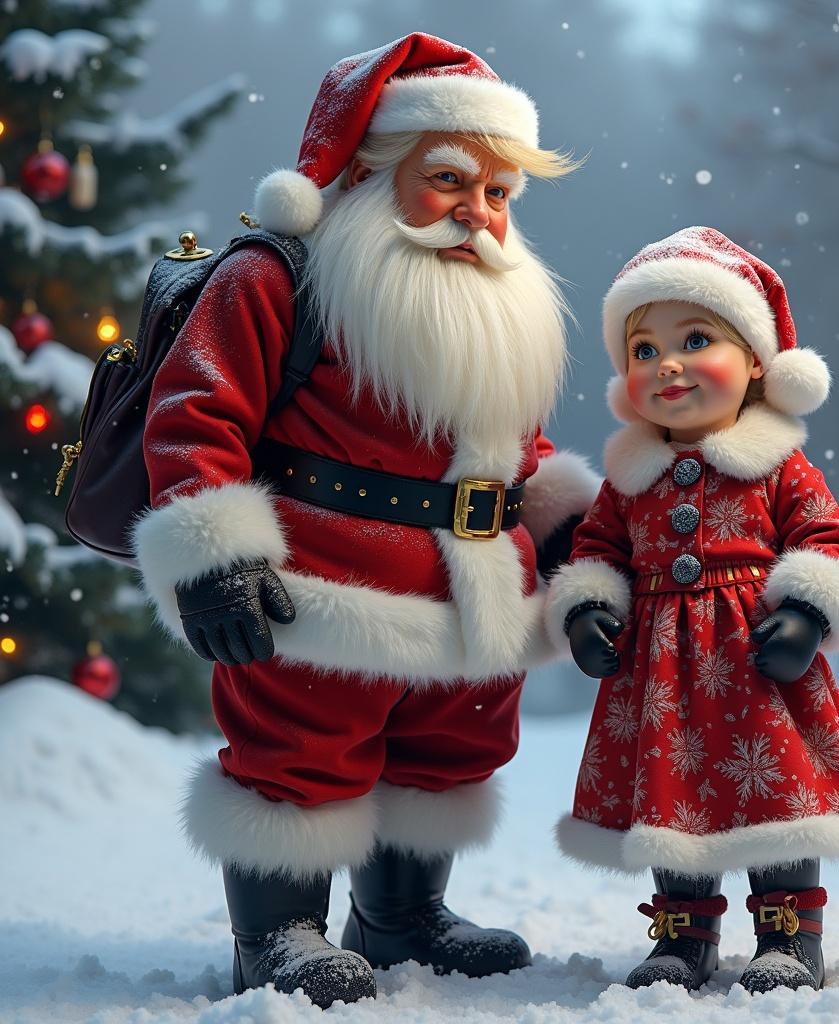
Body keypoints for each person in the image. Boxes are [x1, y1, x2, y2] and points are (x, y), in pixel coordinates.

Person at [130, 34, 599, 1009]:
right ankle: (275, 932)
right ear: (371, 171)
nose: (478, 209)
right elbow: (195, 416)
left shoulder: (497, 305)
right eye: (445, 179)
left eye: (500, 192)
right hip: (321, 579)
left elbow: (520, 449)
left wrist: (565, 534)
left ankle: (400, 913)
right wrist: (210, 553)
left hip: (475, 584)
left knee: (448, 751)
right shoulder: (276, 278)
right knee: (298, 752)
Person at [544, 227, 839, 994]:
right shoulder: (628, 478)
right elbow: (598, 550)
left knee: (775, 791)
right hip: (662, 674)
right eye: (643, 350)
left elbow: (828, 537)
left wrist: (806, 609)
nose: (665, 363)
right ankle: (682, 930)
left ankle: (788, 930)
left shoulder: (778, 465)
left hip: (754, 661)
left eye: (696, 338)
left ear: (753, 363)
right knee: (671, 797)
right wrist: (585, 610)